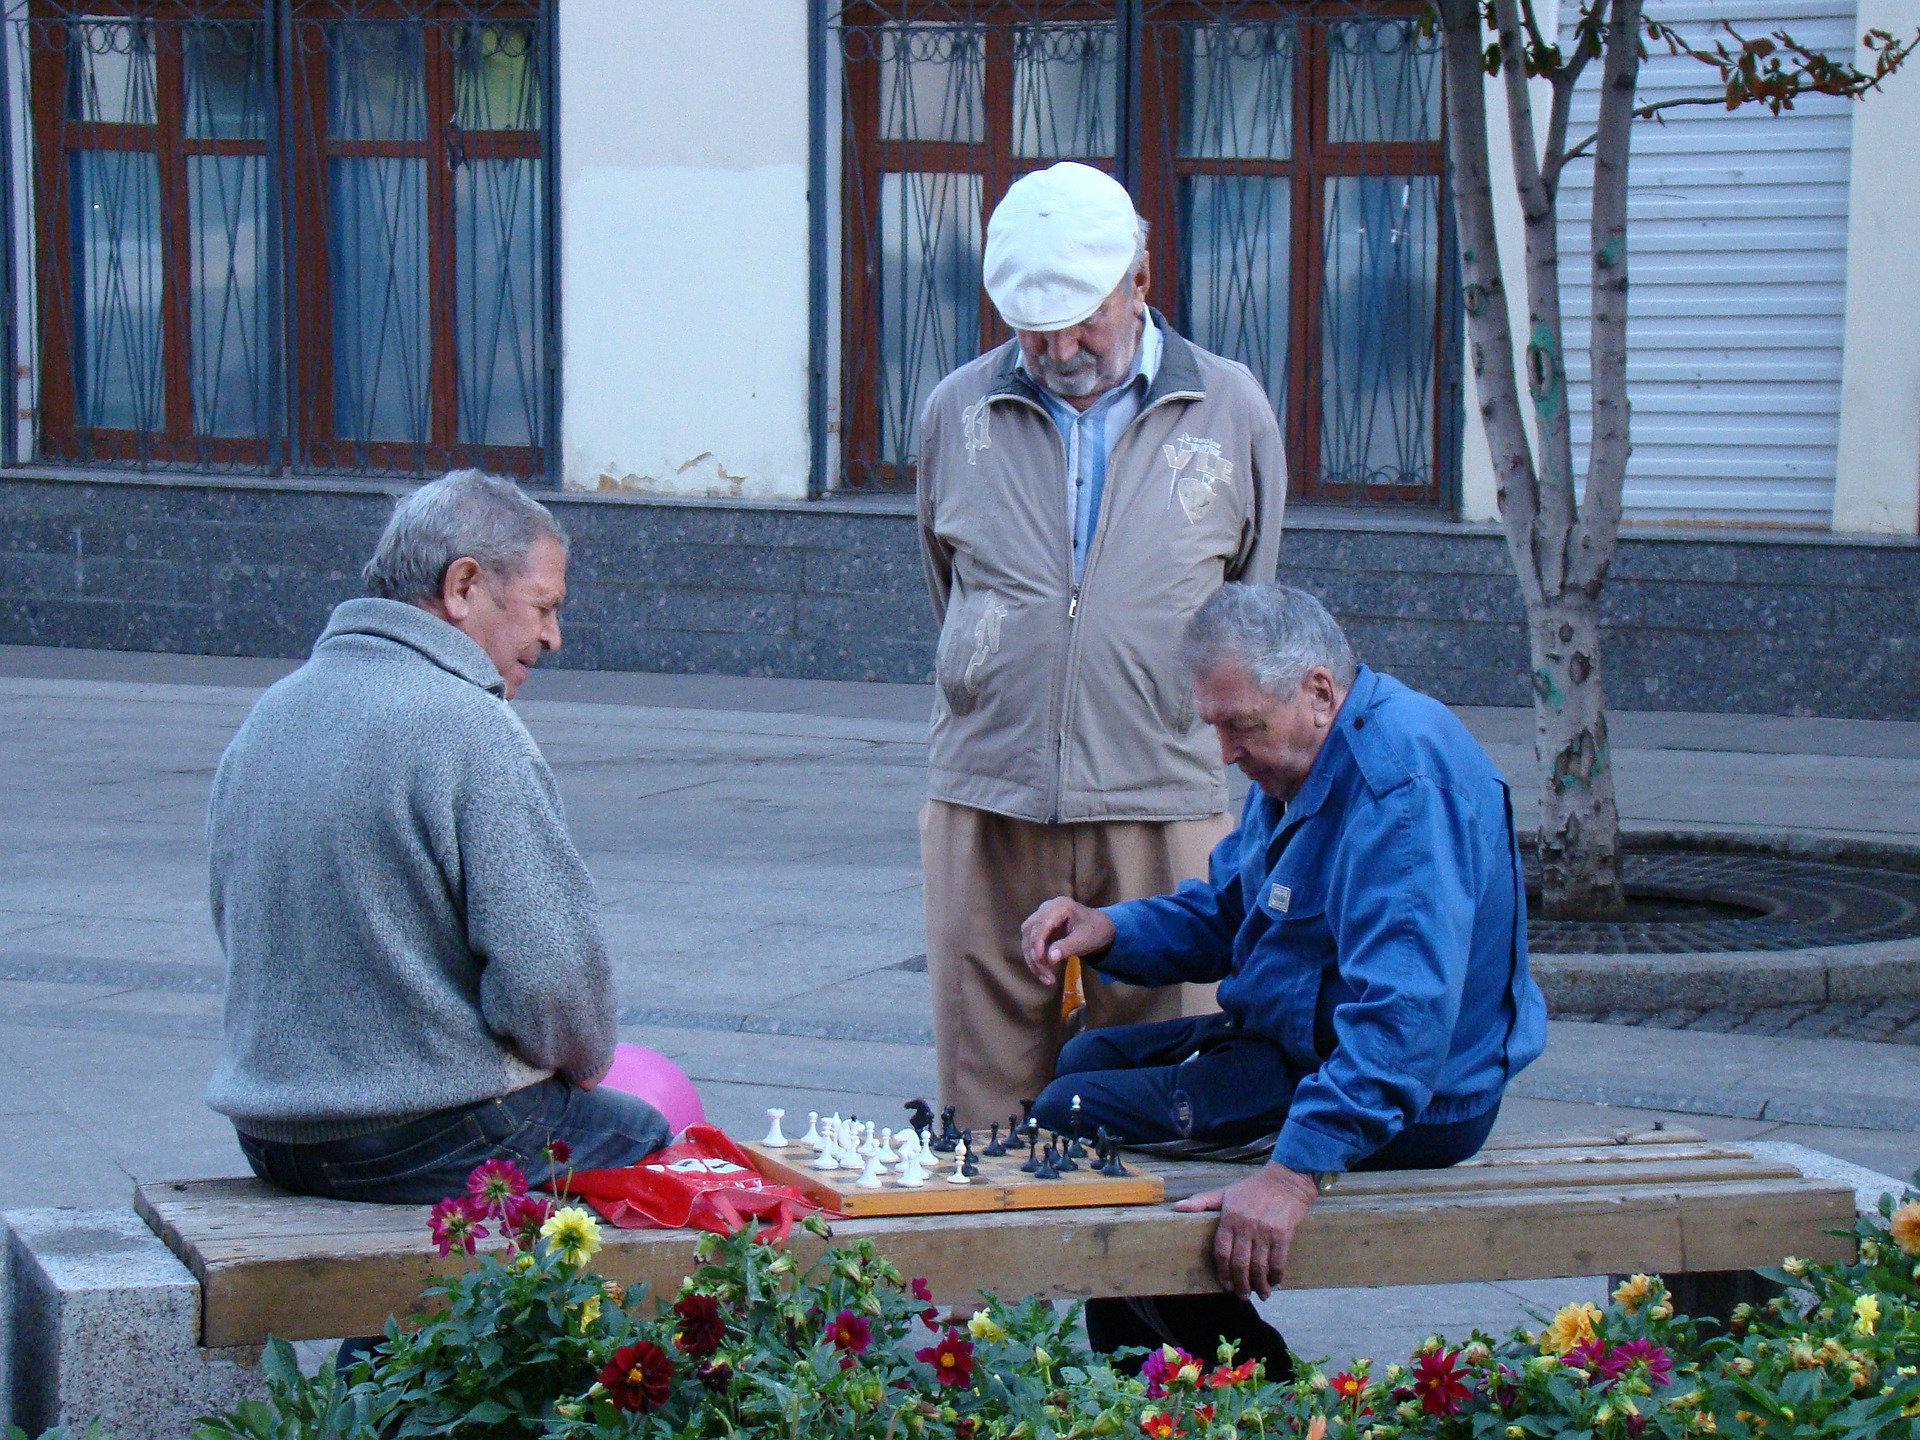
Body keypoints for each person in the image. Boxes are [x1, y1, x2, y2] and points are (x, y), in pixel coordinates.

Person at [1019, 583, 1547, 1370]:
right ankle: (1146, 1378)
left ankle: (1257, 1383)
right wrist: (1110, 929)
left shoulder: (1399, 786)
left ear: (1320, 693)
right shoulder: (1300, 757)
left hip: (1417, 1097)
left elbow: (1403, 1026)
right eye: (1216, 727)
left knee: (1076, 1111)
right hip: (1299, 1044)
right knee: (1083, 1067)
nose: (1226, 752)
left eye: (1241, 726)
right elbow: (1234, 914)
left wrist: (1293, 1176)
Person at [917, 160, 1285, 1131]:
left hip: (1164, 797)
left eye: (1084, 317)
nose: (1060, 347)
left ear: (1142, 280)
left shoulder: (1232, 408)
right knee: (982, 1106)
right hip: (987, 795)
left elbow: (1251, 601)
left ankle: (1142, 1293)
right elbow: (950, 587)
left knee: (1168, 1098)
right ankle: (999, 1286)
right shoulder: (955, 412)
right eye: (1035, 326)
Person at [205, 469, 670, 1204]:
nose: (553, 636)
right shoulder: (471, 726)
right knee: (642, 1138)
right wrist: (581, 1060)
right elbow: (551, 978)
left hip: (270, 1132)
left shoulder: (272, 712)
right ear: (463, 588)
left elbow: (236, 918)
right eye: (543, 607)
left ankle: (396, 1325)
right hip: (417, 1134)